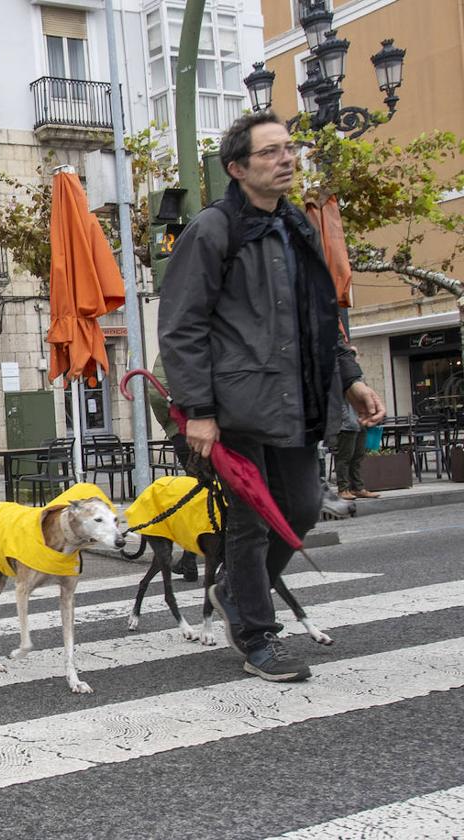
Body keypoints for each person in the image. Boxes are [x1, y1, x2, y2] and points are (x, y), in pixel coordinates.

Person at [159, 111, 386, 683]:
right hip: (236, 405)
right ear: (237, 168)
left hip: (299, 400)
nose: (286, 159)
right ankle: (258, 634)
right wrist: (200, 412)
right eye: (270, 152)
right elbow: (181, 326)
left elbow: (321, 316)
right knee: (251, 519)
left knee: (304, 507)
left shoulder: (297, 228)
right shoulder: (213, 230)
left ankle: (235, 589)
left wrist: (351, 377)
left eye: (288, 149)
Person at [147, 354, 200, 582]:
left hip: (183, 428)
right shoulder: (189, 343)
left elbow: (157, 393)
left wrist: (170, 423)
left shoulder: (172, 348)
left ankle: (192, 560)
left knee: (200, 494)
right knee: (210, 494)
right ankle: (194, 559)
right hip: (198, 426)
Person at [332, 346, 380, 501]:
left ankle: (358, 487)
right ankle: (343, 489)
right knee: (344, 457)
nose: (355, 358)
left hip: (360, 422)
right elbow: (339, 402)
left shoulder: (358, 376)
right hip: (347, 424)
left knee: (358, 456)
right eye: (352, 354)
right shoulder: (339, 377)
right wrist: (345, 420)